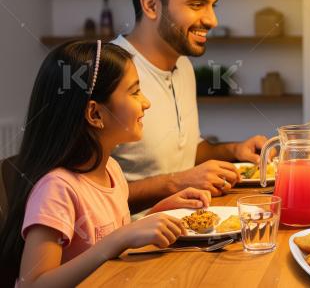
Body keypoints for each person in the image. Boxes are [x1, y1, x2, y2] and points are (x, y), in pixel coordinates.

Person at [0, 41, 211, 287]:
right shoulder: (56, 189)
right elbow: (33, 283)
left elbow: (109, 237)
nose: (146, 103)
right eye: (134, 92)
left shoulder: (111, 169)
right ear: (95, 114)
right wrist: (121, 239)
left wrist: (156, 216)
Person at [112, 0, 266, 210]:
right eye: (197, 5)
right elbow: (79, 195)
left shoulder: (182, 65)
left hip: (187, 227)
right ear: (151, 5)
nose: (212, 20)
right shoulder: (106, 72)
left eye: (212, 6)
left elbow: (186, 153)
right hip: (130, 243)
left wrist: (233, 151)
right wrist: (176, 183)